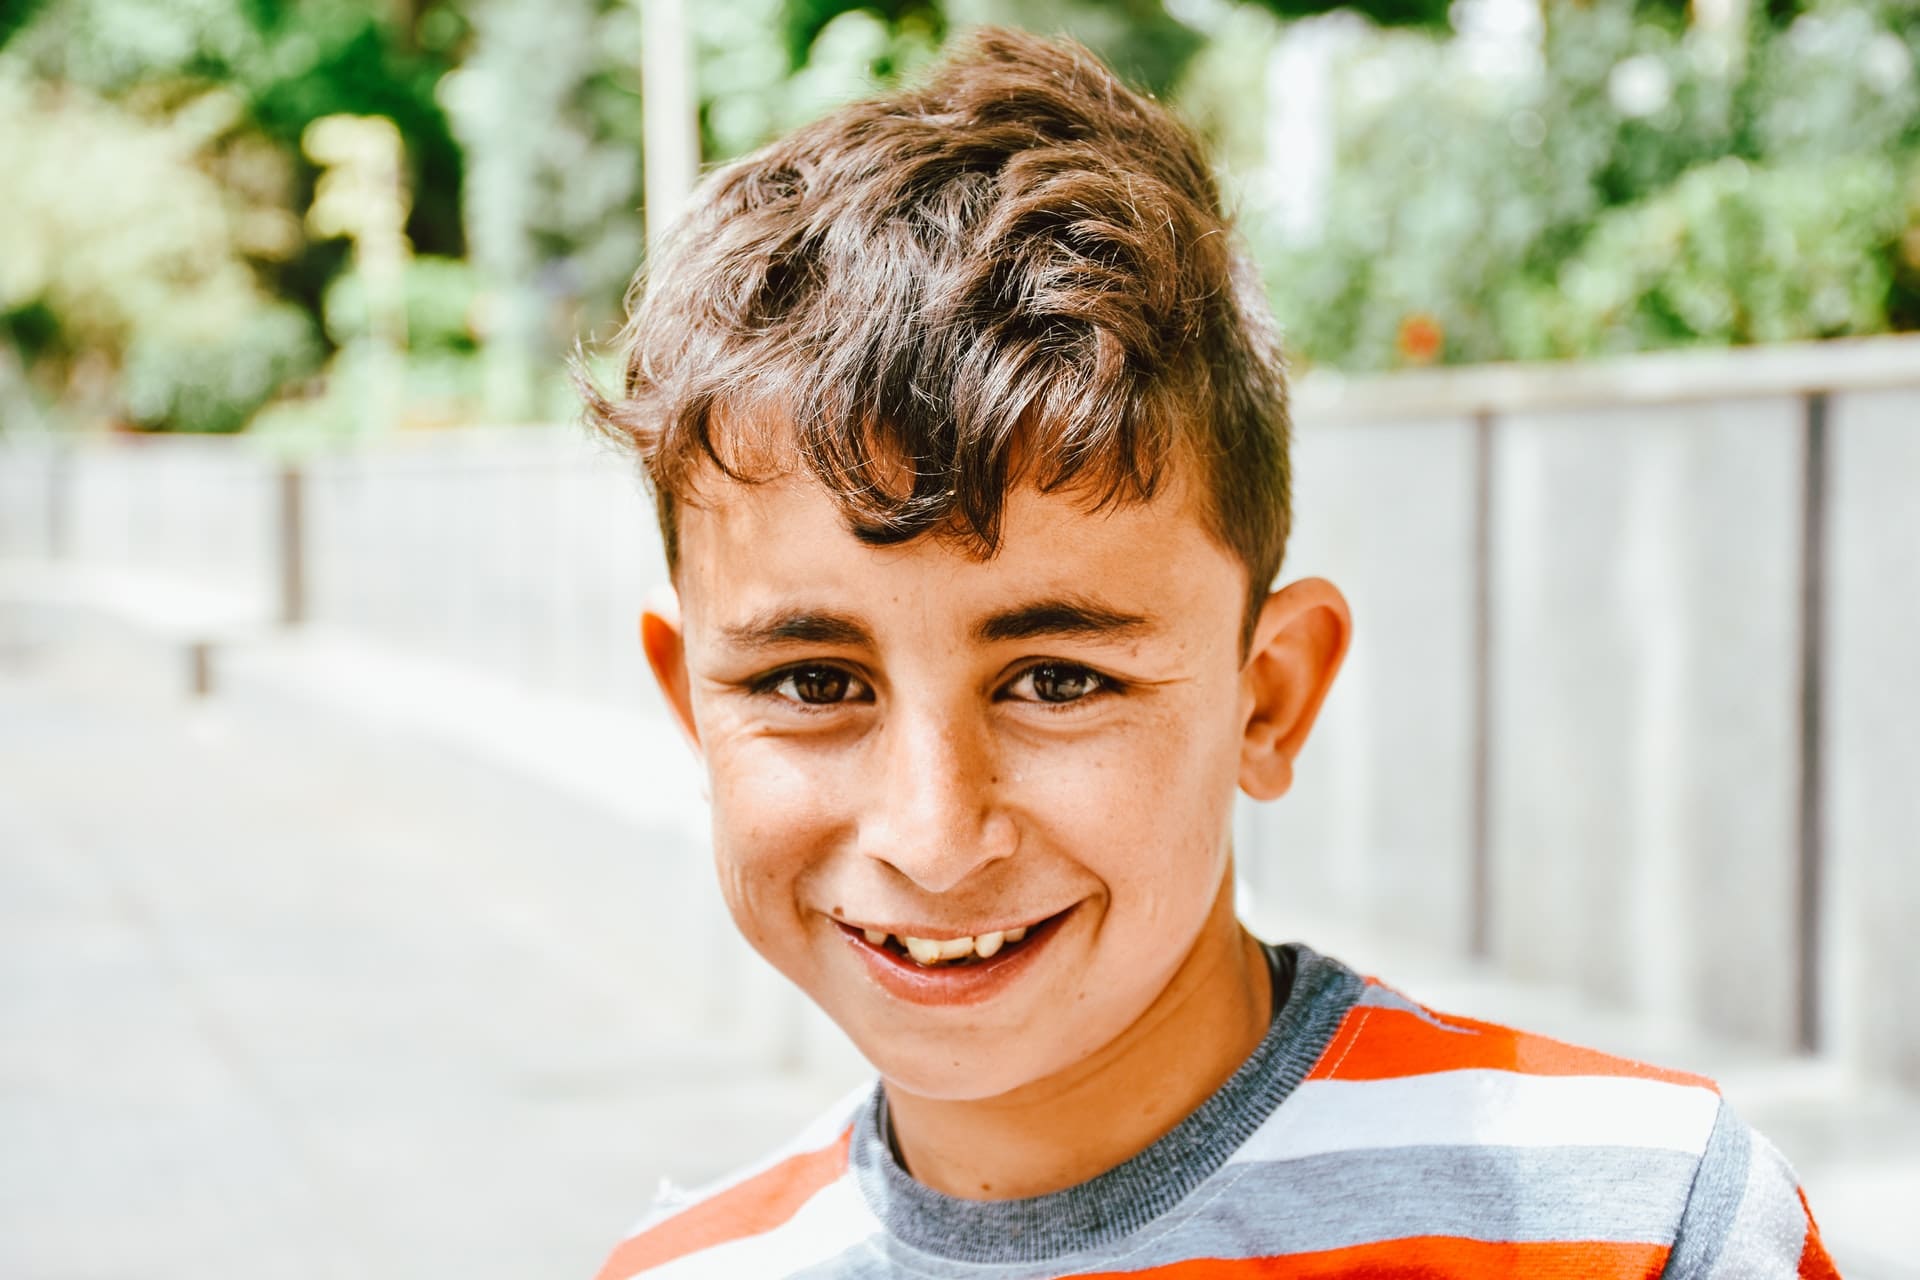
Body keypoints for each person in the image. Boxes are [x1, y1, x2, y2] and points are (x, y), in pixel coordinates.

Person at [581, 26, 1838, 1280]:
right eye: (813, 683)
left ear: (1269, 695)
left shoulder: (1635, 1223)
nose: (934, 834)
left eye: (1058, 679)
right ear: (692, 704)